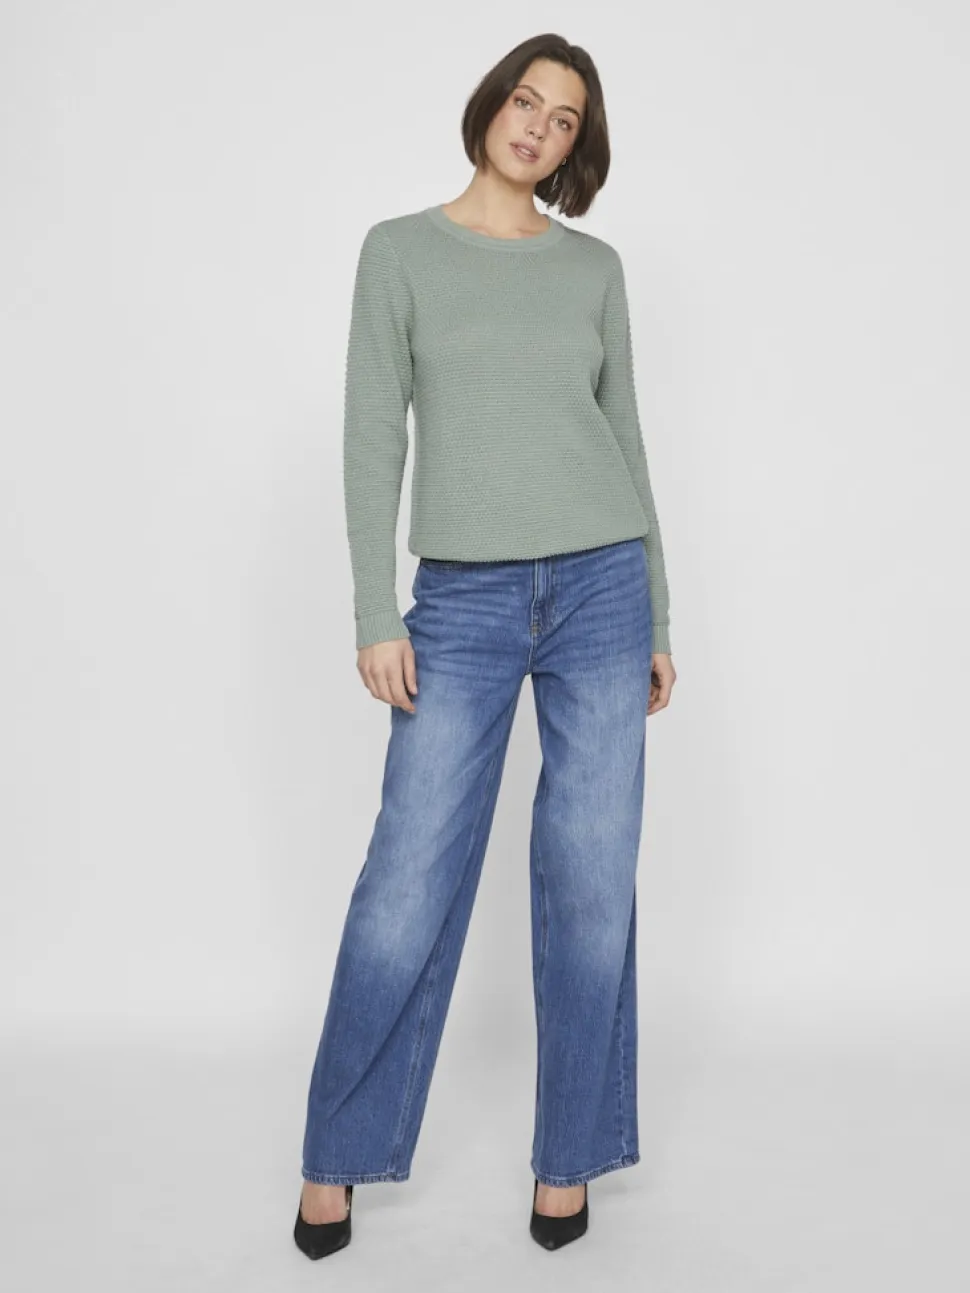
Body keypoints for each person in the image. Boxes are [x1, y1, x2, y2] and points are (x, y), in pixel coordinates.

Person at [294, 31, 677, 1259]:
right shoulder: (399, 252)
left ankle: (568, 1159)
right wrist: (375, 610)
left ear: (575, 147)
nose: (538, 129)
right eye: (527, 102)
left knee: (590, 876)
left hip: (602, 588)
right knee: (406, 880)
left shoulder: (594, 269)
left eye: (565, 121)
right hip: (457, 602)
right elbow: (372, 436)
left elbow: (625, 439)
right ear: (489, 106)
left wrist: (656, 612)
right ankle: (337, 1154)